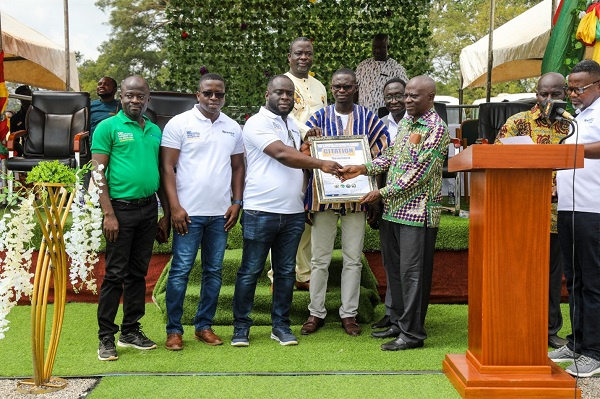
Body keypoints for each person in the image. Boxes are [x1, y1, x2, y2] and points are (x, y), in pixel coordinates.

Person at [339, 75, 449, 350]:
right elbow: (391, 156)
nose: (406, 100)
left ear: (430, 98)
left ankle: (412, 335)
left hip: (418, 213)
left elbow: (419, 174)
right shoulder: (407, 123)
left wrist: (381, 192)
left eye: (413, 96)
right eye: (405, 95)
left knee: (413, 274)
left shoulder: (436, 129)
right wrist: (364, 168)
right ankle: (398, 323)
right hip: (393, 212)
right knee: (396, 271)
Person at [231, 74, 341, 347]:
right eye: (279, 93)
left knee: (285, 273)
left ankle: (280, 326)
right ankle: (241, 327)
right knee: (250, 271)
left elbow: (302, 142)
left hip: (292, 211)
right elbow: (282, 153)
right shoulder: (256, 123)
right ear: (266, 94)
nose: (284, 98)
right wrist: (321, 163)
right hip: (261, 210)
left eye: (289, 94)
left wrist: (311, 137)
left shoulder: (290, 121)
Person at [300, 68, 389, 337]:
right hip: (324, 199)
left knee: (353, 259)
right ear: (331, 87)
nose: (342, 90)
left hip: (358, 198)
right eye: (337, 86)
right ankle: (316, 312)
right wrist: (307, 196)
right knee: (319, 259)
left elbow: (382, 157)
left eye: (347, 86)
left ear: (355, 88)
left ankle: (348, 314)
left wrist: (376, 197)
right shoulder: (317, 118)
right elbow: (304, 158)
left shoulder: (370, 119)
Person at [160, 73, 245, 351]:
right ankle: (174, 330)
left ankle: (203, 326)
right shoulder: (179, 123)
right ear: (197, 95)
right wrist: (174, 207)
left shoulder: (233, 127)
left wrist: (237, 202)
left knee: (214, 271)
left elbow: (237, 167)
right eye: (208, 93)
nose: (213, 99)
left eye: (218, 94)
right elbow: (167, 168)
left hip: (220, 214)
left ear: (224, 96)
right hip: (188, 214)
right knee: (181, 270)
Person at [92, 75, 170, 361]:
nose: (135, 100)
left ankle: (130, 331)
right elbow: (97, 173)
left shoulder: (153, 130)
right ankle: (106, 338)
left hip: (149, 209)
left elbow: (159, 174)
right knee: (115, 275)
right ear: (121, 97)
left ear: (147, 98)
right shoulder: (107, 127)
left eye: (140, 96)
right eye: (129, 95)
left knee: (138, 273)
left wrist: (166, 214)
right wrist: (108, 214)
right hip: (120, 211)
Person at [494, 72, 569, 350]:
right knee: (518, 273)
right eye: (543, 94)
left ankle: (550, 330)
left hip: (556, 214)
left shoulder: (572, 126)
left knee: (551, 276)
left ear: (565, 94)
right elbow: (497, 161)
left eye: (555, 95)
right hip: (521, 212)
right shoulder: (517, 123)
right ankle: (515, 325)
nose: (548, 100)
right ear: (536, 94)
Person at [549, 59, 600, 378]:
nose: (573, 94)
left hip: (593, 209)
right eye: (570, 89)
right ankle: (578, 342)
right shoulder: (579, 117)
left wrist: (572, 152)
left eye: (579, 88)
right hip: (569, 209)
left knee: (593, 283)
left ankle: (594, 352)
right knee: (576, 280)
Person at [266, 37, 328, 291]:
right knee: (285, 213)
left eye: (308, 53)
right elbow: (286, 116)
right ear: (289, 56)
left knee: (308, 214)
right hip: (289, 153)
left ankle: (303, 273)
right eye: (298, 53)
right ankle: (276, 275)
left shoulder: (320, 86)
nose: (304, 57)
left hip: (314, 158)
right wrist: (307, 133)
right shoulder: (282, 84)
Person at [371, 77, 406, 331]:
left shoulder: (419, 125)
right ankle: (392, 312)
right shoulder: (379, 125)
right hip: (385, 198)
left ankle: (404, 316)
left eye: (399, 95)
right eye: (389, 97)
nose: (394, 101)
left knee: (406, 262)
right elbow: (377, 163)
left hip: (411, 201)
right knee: (390, 260)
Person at [355, 34, 409, 114]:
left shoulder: (396, 68)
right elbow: (355, 90)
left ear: (388, 47)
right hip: (364, 115)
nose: (377, 50)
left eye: (381, 47)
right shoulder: (362, 66)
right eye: (375, 47)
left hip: (386, 117)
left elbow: (406, 92)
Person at [9, 85, 32, 156]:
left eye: (29, 95)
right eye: (24, 95)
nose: (28, 98)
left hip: (45, 149)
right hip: (26, 152)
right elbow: (14, 142)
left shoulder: (42, 114)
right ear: (19, 98)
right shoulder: (15, 119)